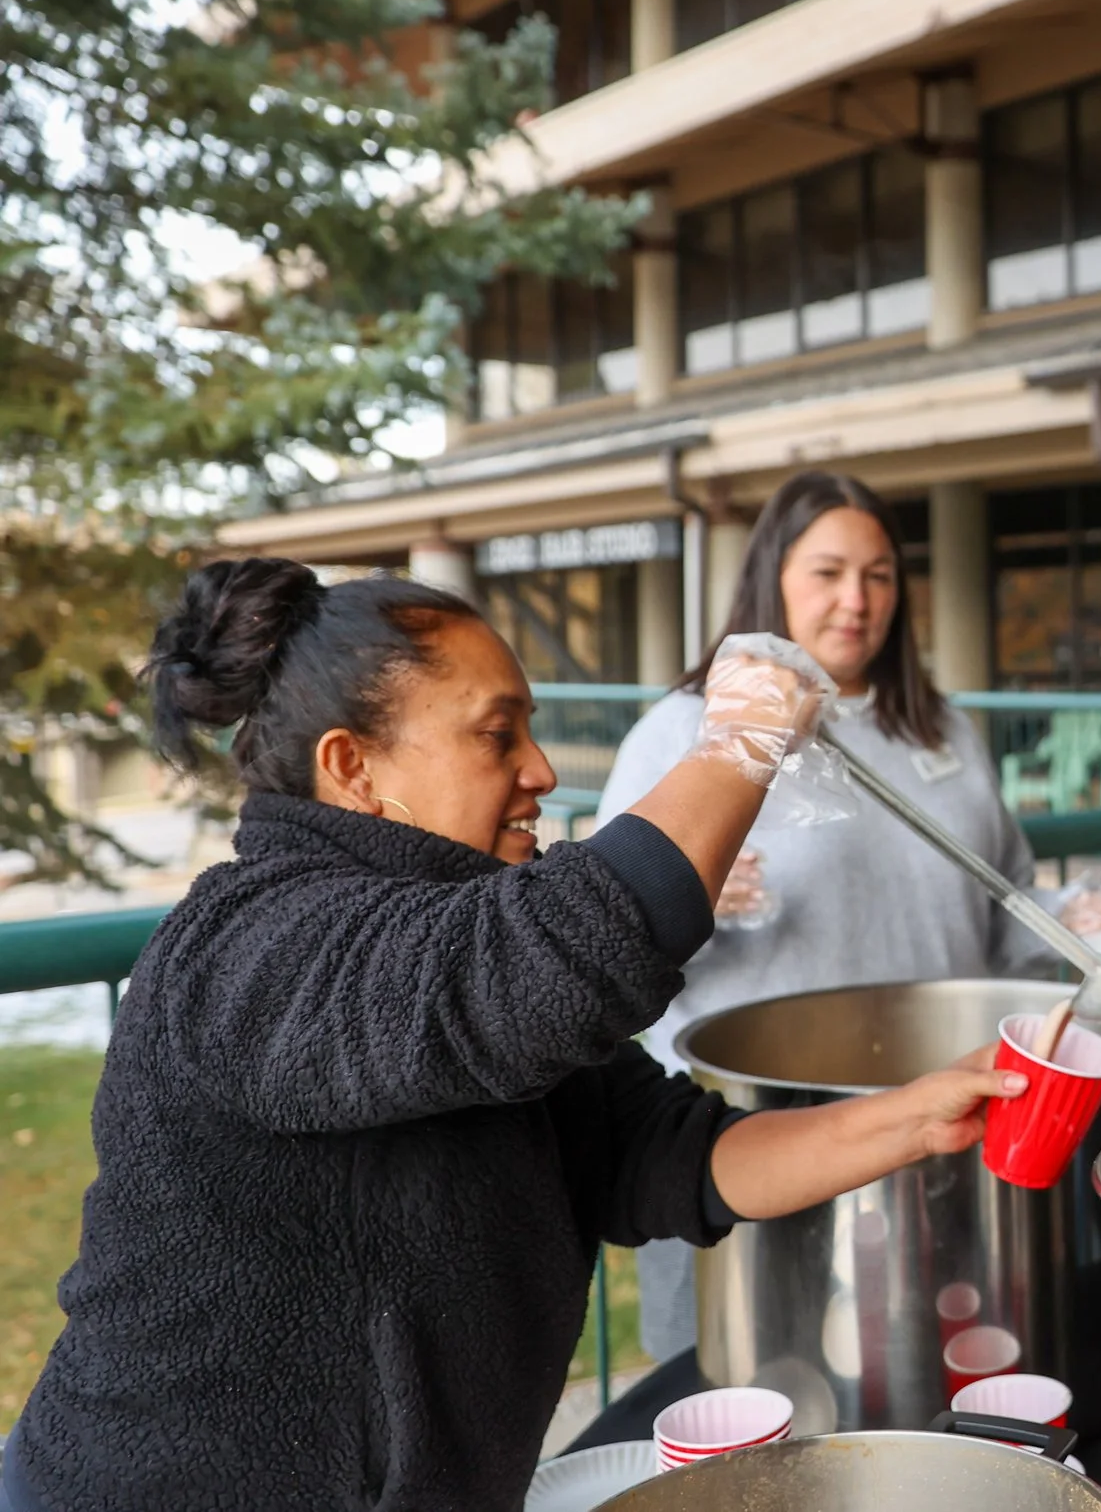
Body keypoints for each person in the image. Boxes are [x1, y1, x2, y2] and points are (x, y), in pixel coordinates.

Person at [0, 560, 1021, 1512]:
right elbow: (560, 949)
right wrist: (741, 743)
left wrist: (919, 1115)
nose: (539, 768)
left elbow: (671, 1155)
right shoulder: (250, 942)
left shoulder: (477, 965)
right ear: (351, 766)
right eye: (497, 736)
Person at [599, 470, 1101, 1362]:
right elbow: (609, 944)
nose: (857, 600)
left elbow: (998, 906)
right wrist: (680, 898)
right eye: (828, 572)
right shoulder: (689, 732)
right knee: (747, 1391)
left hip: (945, 1121)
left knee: (952, 1372)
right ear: (772, 577)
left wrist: (1074, 918)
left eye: (880, 574)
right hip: (754, 1136)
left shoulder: (941, 729)